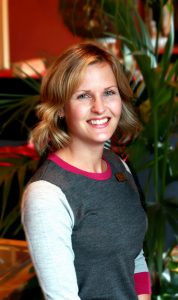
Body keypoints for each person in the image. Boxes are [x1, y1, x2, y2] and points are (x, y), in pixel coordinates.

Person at [21, 41, 152, 300]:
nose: (100, 107)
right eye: (83, 95)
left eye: (109, 92)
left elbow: (135, 256)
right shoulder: (47, 195)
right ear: (60, 107)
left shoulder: (119, 166)